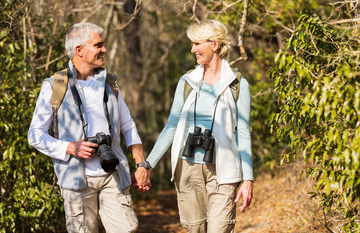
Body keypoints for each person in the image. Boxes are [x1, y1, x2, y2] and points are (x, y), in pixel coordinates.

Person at [28, 22, 150, 233]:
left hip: (113, 175)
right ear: (79, 50)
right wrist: (69, 147)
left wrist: (141, 165)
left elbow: (128, 126)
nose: (104, 50)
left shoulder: (110, 83)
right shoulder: (55, 86)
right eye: (98, 45)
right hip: (76, 181)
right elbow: (35, 135)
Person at [144, 19, 254, 232]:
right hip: (188, 167)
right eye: (192, 44)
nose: (192, 49)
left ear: (214, 44)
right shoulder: (186, 81)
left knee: (220, 228)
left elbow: (243, 132)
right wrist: (148, 164)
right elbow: (172, 125)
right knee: (194, 229)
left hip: (224, 169)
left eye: (197, 43)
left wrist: (248, 178)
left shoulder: (237, 84)